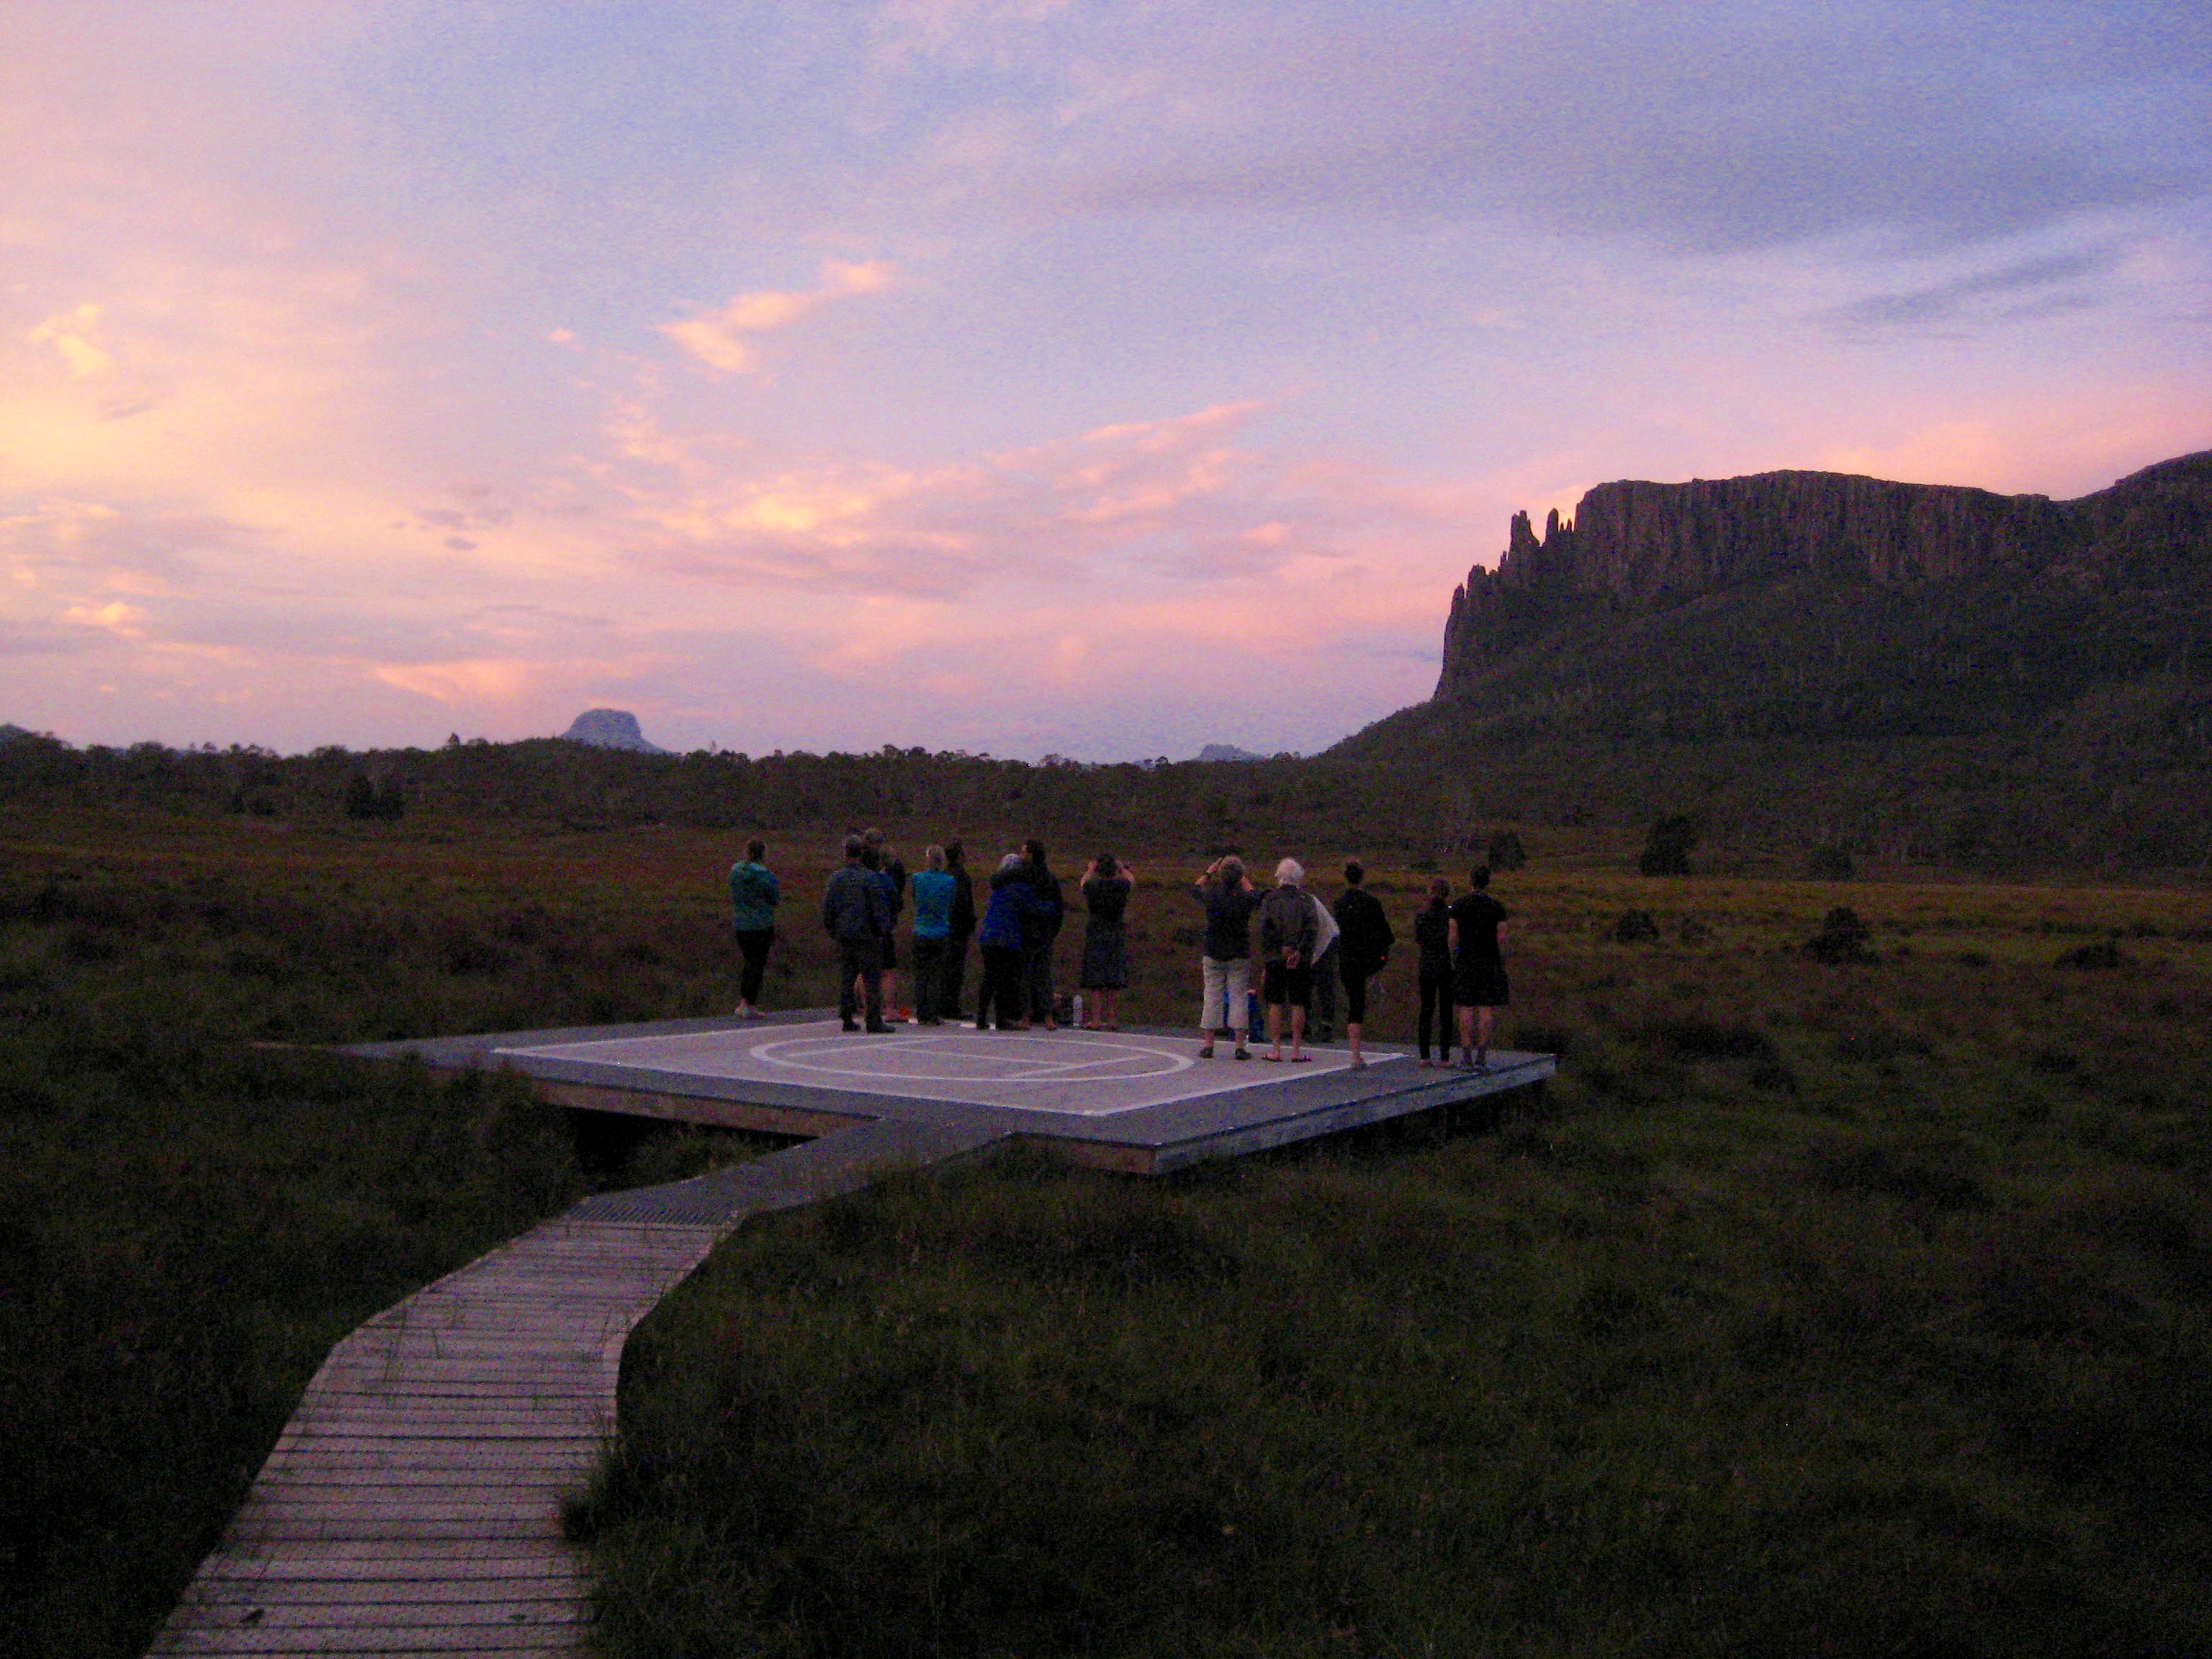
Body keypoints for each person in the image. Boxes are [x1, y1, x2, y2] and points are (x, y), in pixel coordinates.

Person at [1191, 854, 1260, 1058]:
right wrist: (1244, 880)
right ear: (1240, 876)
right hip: (1238, 951)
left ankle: (1208, 1044)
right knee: (1239, 997)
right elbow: (1255, 896)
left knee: (1212, 996)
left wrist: (1208, 873)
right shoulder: (1245, 899)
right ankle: (1240, 1046)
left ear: (1220, 876)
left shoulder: (1212, 895)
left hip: (1213, 950)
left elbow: (1195, 889)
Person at [822, 835, 893, 1033]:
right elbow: (879, 909)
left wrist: (834, 931)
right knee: (871, 980)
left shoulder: (835, 878)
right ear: (861, 853)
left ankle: (846, 1017)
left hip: (844, 935)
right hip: (867, 936)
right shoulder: (870, 878)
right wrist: (882, 931)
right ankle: (873, 1020)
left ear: (845, 853)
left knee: (847, 977)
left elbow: (828, 908)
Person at [1332, 859, 1395, 1069]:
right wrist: (1379, 960)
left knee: (1354, 1003)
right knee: (1359, 1004)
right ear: (1362, 878)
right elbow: (1386, 935)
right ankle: (1356, 1056)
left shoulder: (1339, 904)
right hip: (1366, 958)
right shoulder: (1372, 903)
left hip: (1347, 957)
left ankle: (1355, 1053)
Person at [1449, 864, 1511, 1070]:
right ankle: (1482, 1054)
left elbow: (1452, 936)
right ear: (1487, 882)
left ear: (1470, 881)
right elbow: (1502, 937)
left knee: (1466, 1007)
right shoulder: (1496, 906)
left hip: (1466, 959)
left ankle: (1466, 1054)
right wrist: (1500, 956)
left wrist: (1453, 956)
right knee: (1486, 1007)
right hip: (1489, 960)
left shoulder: (1457, 905)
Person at [1258, 858, 1318, 1062]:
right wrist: (1299, 951)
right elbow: (1312, 929)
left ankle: (1275, 1049)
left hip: (1276, 958)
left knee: (1275, 1002)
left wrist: (1278, 948)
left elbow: (1265, 929)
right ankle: (1296, 1049)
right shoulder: (1306, 900)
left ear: (1279, 876)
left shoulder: (1270, 900)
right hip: (1299, 960)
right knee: (1298, 1003)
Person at [1002, 837, 1063, 1029]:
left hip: (1027, 930)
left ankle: (1026, 1016)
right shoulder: (1050, 877)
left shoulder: (1023, 874)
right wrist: (1053, 931)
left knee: (1026, 975)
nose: (1021, 855)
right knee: (1044, 975)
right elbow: (1058, 908)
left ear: (1030, 855)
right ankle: (1048, 1017)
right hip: (1045, 932)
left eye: (1023, 852)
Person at [974, 853, 1031, 1031]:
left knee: (989, 977)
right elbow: (1031, 908)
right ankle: (1001, 1018)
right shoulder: (1020, 888)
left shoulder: (995, 886)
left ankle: (981, 1017)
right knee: (1004, 980)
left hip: (988, 935)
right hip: (1008, 937)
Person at [1077, 852, 1136, 1028]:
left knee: (1096, 977)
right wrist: (1122, 868)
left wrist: (1090, 870)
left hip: (1096, 931)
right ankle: (1112, 1019)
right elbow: (1132, 880)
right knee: (1114, 976)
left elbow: (1083, 883)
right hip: (1116, 932)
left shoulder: (1093, 886)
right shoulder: (1121, 886)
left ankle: (1096, 1019)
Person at [727, 837, 780, 1020]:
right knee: (757, 964)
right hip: (761, 924)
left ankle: (746, 1002)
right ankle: (748, 1003)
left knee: (749, 962)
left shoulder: (736, 873)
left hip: (741, 924)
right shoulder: (766, 877)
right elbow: (774, 900)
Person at [861, 829, 908, 1021]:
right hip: (882, 926)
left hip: (862, 925)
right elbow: (897, 901)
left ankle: (866, 1008)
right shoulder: (886, 878)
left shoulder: (858, 873)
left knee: (863, 968)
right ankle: (888, 1009)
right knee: (888, 970)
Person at [909, 845, 956, 1025]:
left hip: (921, 930)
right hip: (941, 931)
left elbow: (915, 900)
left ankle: (921, 1012)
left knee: (921, 975)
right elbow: (950, 905)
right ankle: (933, 1013)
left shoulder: (917, 879)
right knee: (936, 975)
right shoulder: (950, 882)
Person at [1413, 876, 1453, 1068]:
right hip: (1445, 964)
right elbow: (1454, 941)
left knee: (1426, 1010)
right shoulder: (1451, 915)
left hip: (1427, 964)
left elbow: (1419, 939)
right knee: (1446, 1011)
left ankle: (1424, 1055)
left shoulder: (1422, 915)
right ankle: (1445, 1057)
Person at [942, 839, 976, 1020]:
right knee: (955, 970)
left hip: (944, 927)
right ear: (960, 856)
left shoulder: (945, 875)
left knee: (944, 968)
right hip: (957, 929)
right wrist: (970, 924)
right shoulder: (961, 877)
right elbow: (964, 904)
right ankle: (950, 1006)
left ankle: (941, 1004)